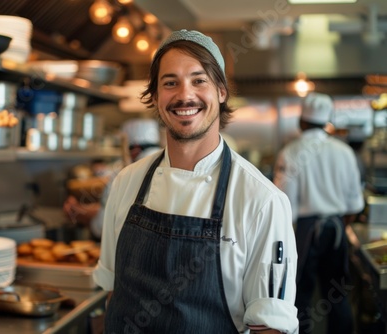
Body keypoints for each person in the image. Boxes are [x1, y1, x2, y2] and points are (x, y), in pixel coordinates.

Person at [93, 29, 298, 333]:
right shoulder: (127, 182)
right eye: (170, 82)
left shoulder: (262, 201)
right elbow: (113, 295)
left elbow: (270, 327)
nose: (184, 95)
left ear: (221, 91)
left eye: (199, 80)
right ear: (156, 96)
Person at [273, 92, 365, 334]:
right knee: (337, 294)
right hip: (336, 228)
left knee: (300, 294)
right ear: (326, 122)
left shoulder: (290, 151)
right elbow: (354, 205)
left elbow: (283, 205)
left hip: (304, 231)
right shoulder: (343, 152)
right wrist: (338, 226)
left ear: (301, 122)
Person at [63, 118, 162, 239]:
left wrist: (77, 211)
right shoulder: (168, 167)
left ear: (134, 149)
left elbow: (104, 226)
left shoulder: (125, 173)